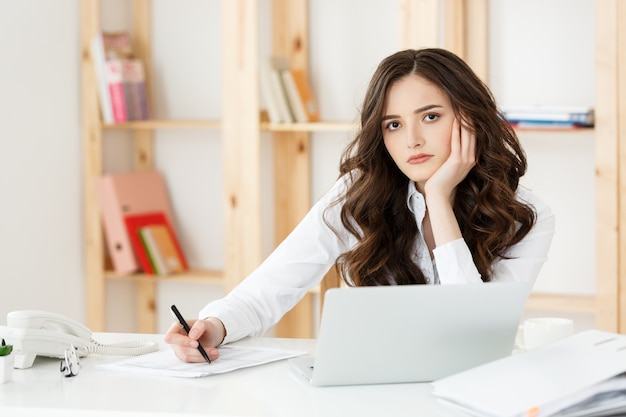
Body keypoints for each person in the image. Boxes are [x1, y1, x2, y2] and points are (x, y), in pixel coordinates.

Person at [165, 48, 555, 362]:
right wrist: (214, 326)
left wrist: (438, 198)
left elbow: (475, 334)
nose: (412, 140)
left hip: (474, 393)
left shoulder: (526, 218)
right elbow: (272, 286)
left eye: (431, 117)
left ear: (469, 120)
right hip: (370, 392)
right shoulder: (360, 194)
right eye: (393, 125)